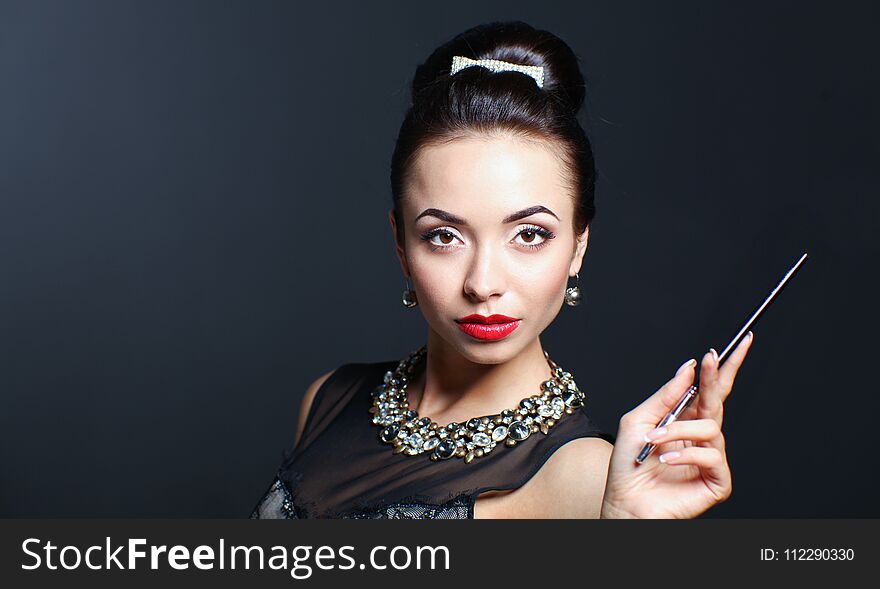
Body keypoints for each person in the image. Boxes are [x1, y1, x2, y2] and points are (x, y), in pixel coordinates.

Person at [250, 20, 753, 519]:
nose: (483, 284)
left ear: (579, 246)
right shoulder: (329, 399)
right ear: (401, 244)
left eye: (529, 235)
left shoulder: (592, 479)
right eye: (443, 236)